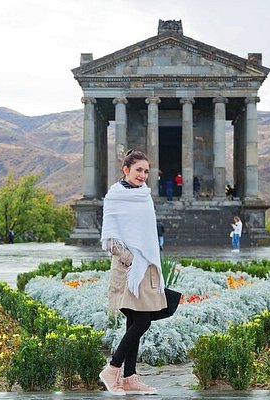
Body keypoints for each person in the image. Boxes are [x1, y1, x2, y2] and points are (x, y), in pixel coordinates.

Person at [99, 149, 167, 396]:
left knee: (134, 321)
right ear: (125, 169)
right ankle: (113, 368)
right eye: (138, 170)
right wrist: (131, 259)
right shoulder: (115, 197)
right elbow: (110, 239)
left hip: (146, 268)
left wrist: (147, 261)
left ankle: (129, 377)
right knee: (142, 321)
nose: (143, 175)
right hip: (127, 269)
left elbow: (147, 235)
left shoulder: (144, 196)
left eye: (147, 171)